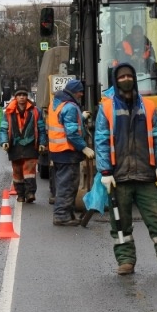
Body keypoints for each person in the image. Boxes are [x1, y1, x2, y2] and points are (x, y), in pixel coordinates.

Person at [95, 62, 157, 275]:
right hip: (119, 176)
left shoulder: (148, 106)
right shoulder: (106, 108)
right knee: (120, 223)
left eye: (129, 76)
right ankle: (125, 261)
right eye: (121, 77)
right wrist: (105, 171)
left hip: (145, 175)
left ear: (134, 78)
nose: (125, 80)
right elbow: (101, 139)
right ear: (115, 81)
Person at [48, 79, 93, 227]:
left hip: (57, 151)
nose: (81, 94)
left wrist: (81, 117)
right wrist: (84, 148)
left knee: (63, 184)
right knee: (67, 186)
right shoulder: (70, 107)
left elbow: (64, 122)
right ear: (75, 92)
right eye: (80, 91)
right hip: (67, 152)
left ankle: (67, 214)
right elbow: (72, 133)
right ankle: (62, 216)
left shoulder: (56, 104)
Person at [0, 89, 47, 203]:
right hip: (15, 145)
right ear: (16, 97)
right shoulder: (8, 112)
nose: (22, 97)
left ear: (27, 97)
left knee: (29, 170)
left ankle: (30, 193)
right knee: (17, 171)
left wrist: (41, 143)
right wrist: (4, 141)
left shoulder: (35, 111)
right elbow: (3, 129)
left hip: (30, 145)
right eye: (19, 95)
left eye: (24, 95)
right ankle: (20, 194)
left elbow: (41, 129)